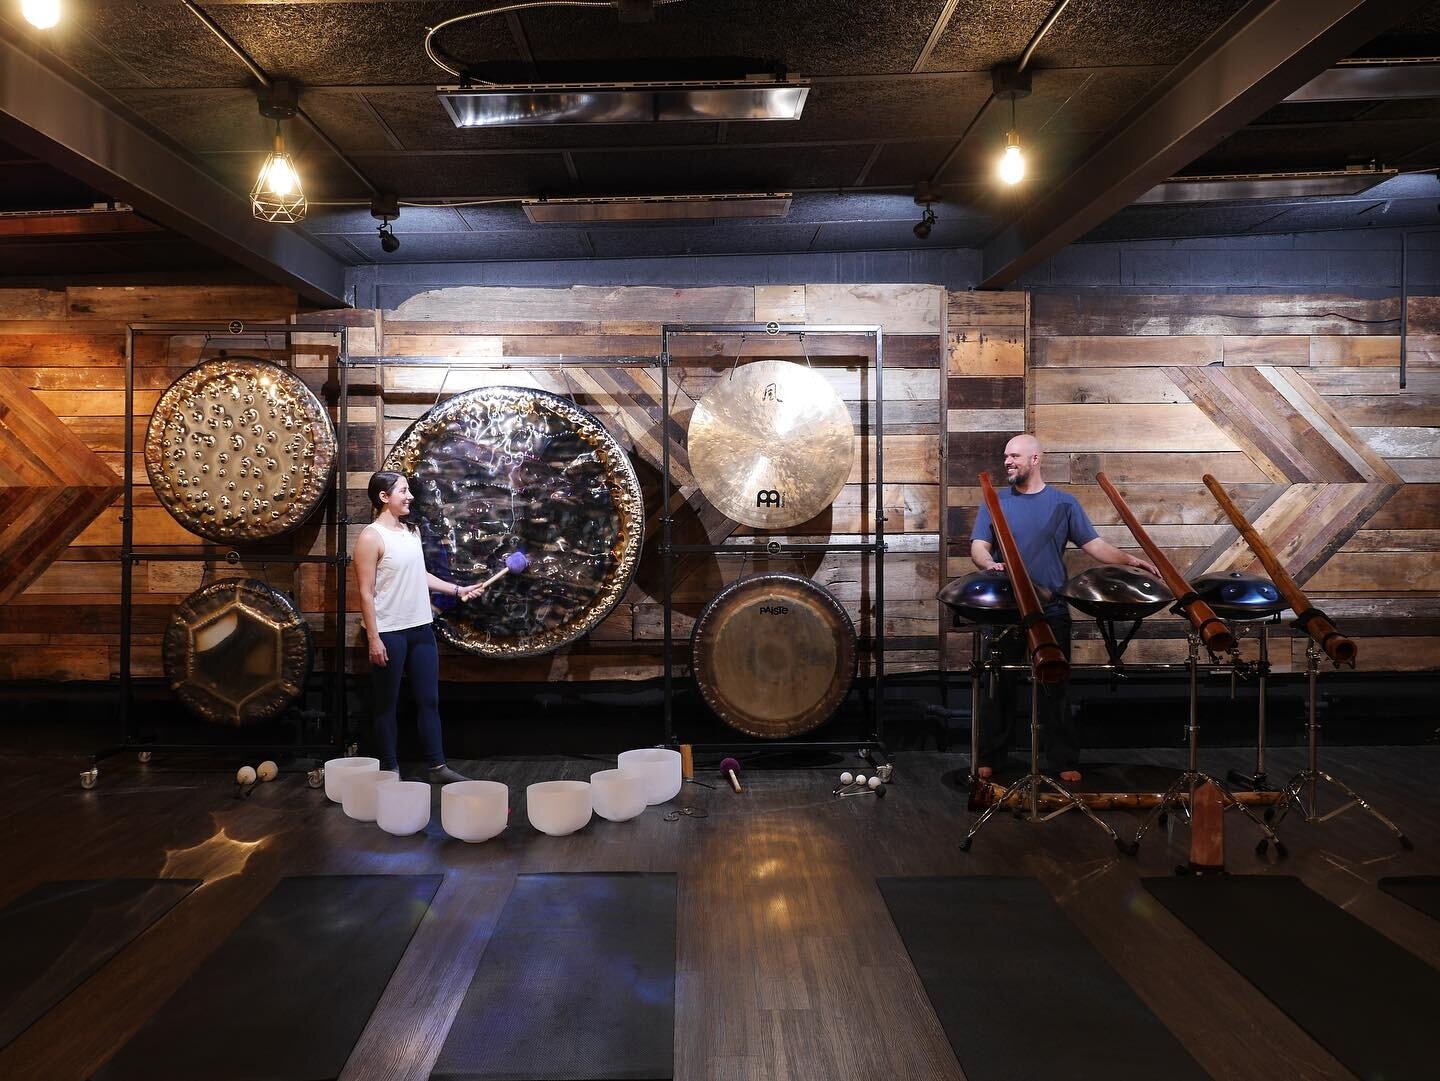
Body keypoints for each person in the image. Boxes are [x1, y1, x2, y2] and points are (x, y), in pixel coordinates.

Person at [969, 434, 1158, 785]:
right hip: (1006, 608)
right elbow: (979, 545)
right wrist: (988, 563)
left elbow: (1094, 545)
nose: (1007, 461)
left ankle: (1061, 758)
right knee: (999, 685)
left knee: (1054, 686)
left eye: (1014, 456)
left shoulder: (1063, 503)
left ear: (1035, 459)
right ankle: (991, 756)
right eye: (1006, 456)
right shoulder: (994, 501)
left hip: (1051, 608)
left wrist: (1131, 560)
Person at [355, 470, 484, 784]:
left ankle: (438, 767)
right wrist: (374, 638)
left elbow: (419, 574)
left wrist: (457, 589)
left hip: (421, 628)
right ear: (384, 497)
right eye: (403, 491)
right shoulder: (371, 537)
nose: (410, 496)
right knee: (386, 705)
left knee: (429, 701)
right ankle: (390, 770)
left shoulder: (410, 531)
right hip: (389, 632)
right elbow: (365, 592)